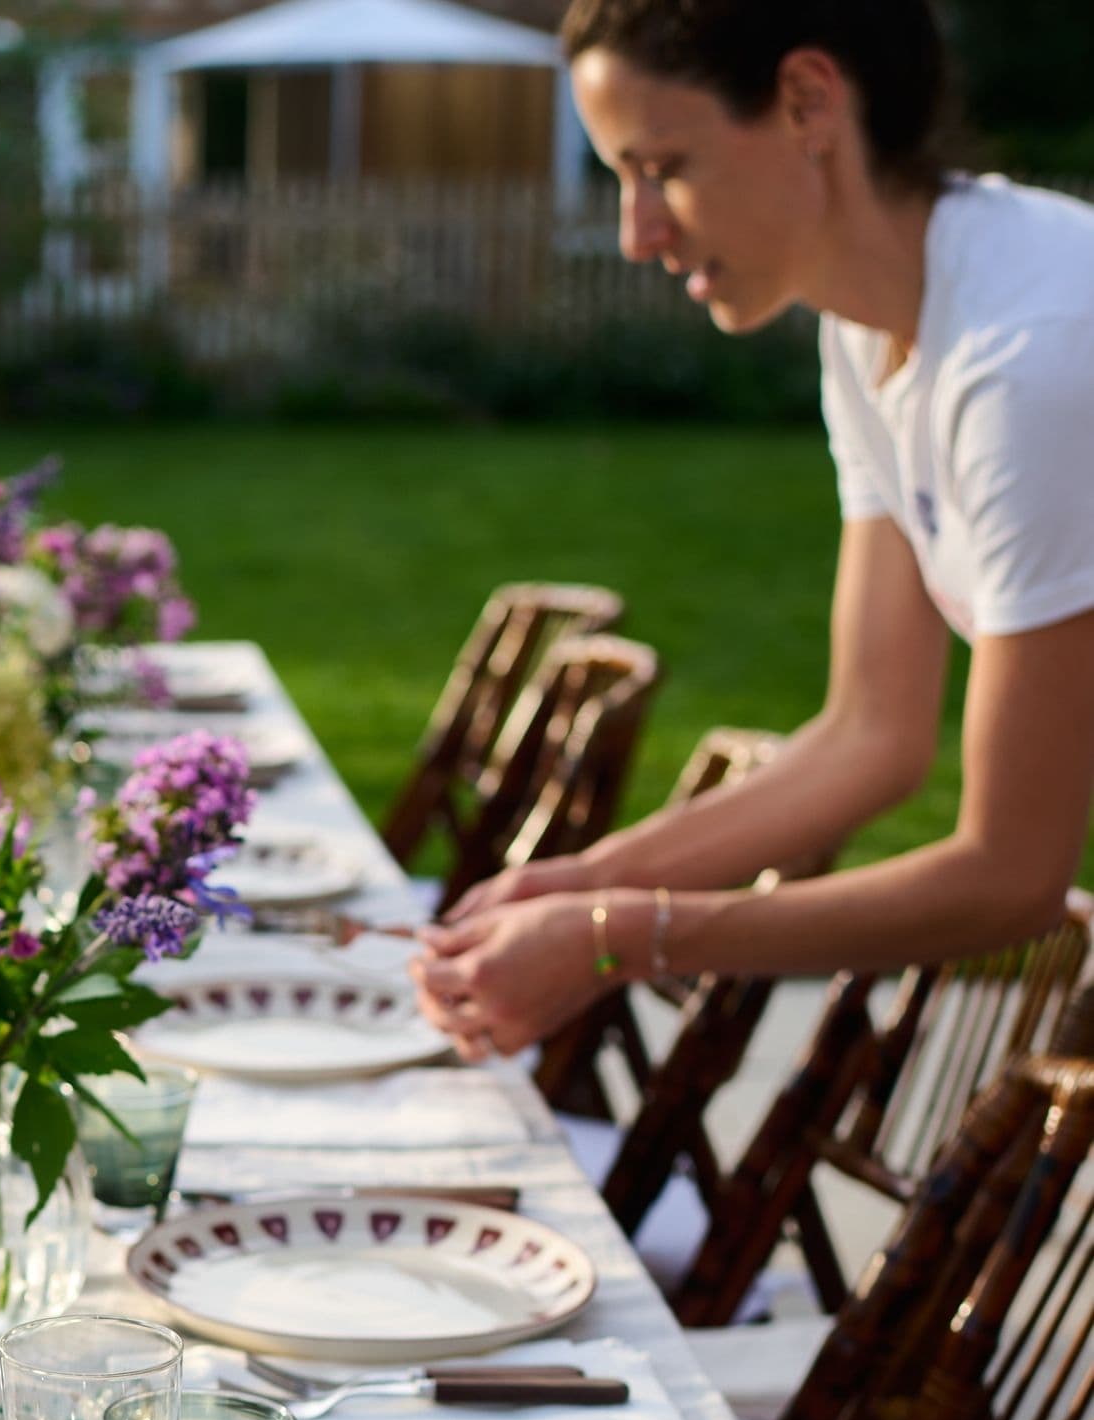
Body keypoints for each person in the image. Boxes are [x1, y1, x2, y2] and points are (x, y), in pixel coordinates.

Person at [412, 0, 1094, 1063]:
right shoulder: (871, 335)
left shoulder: (1031, 357)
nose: (637, 233)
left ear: (806, 101)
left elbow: (1009, 874)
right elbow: (868, 734)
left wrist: (623, 937)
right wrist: (587, 884)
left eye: (662, 167)